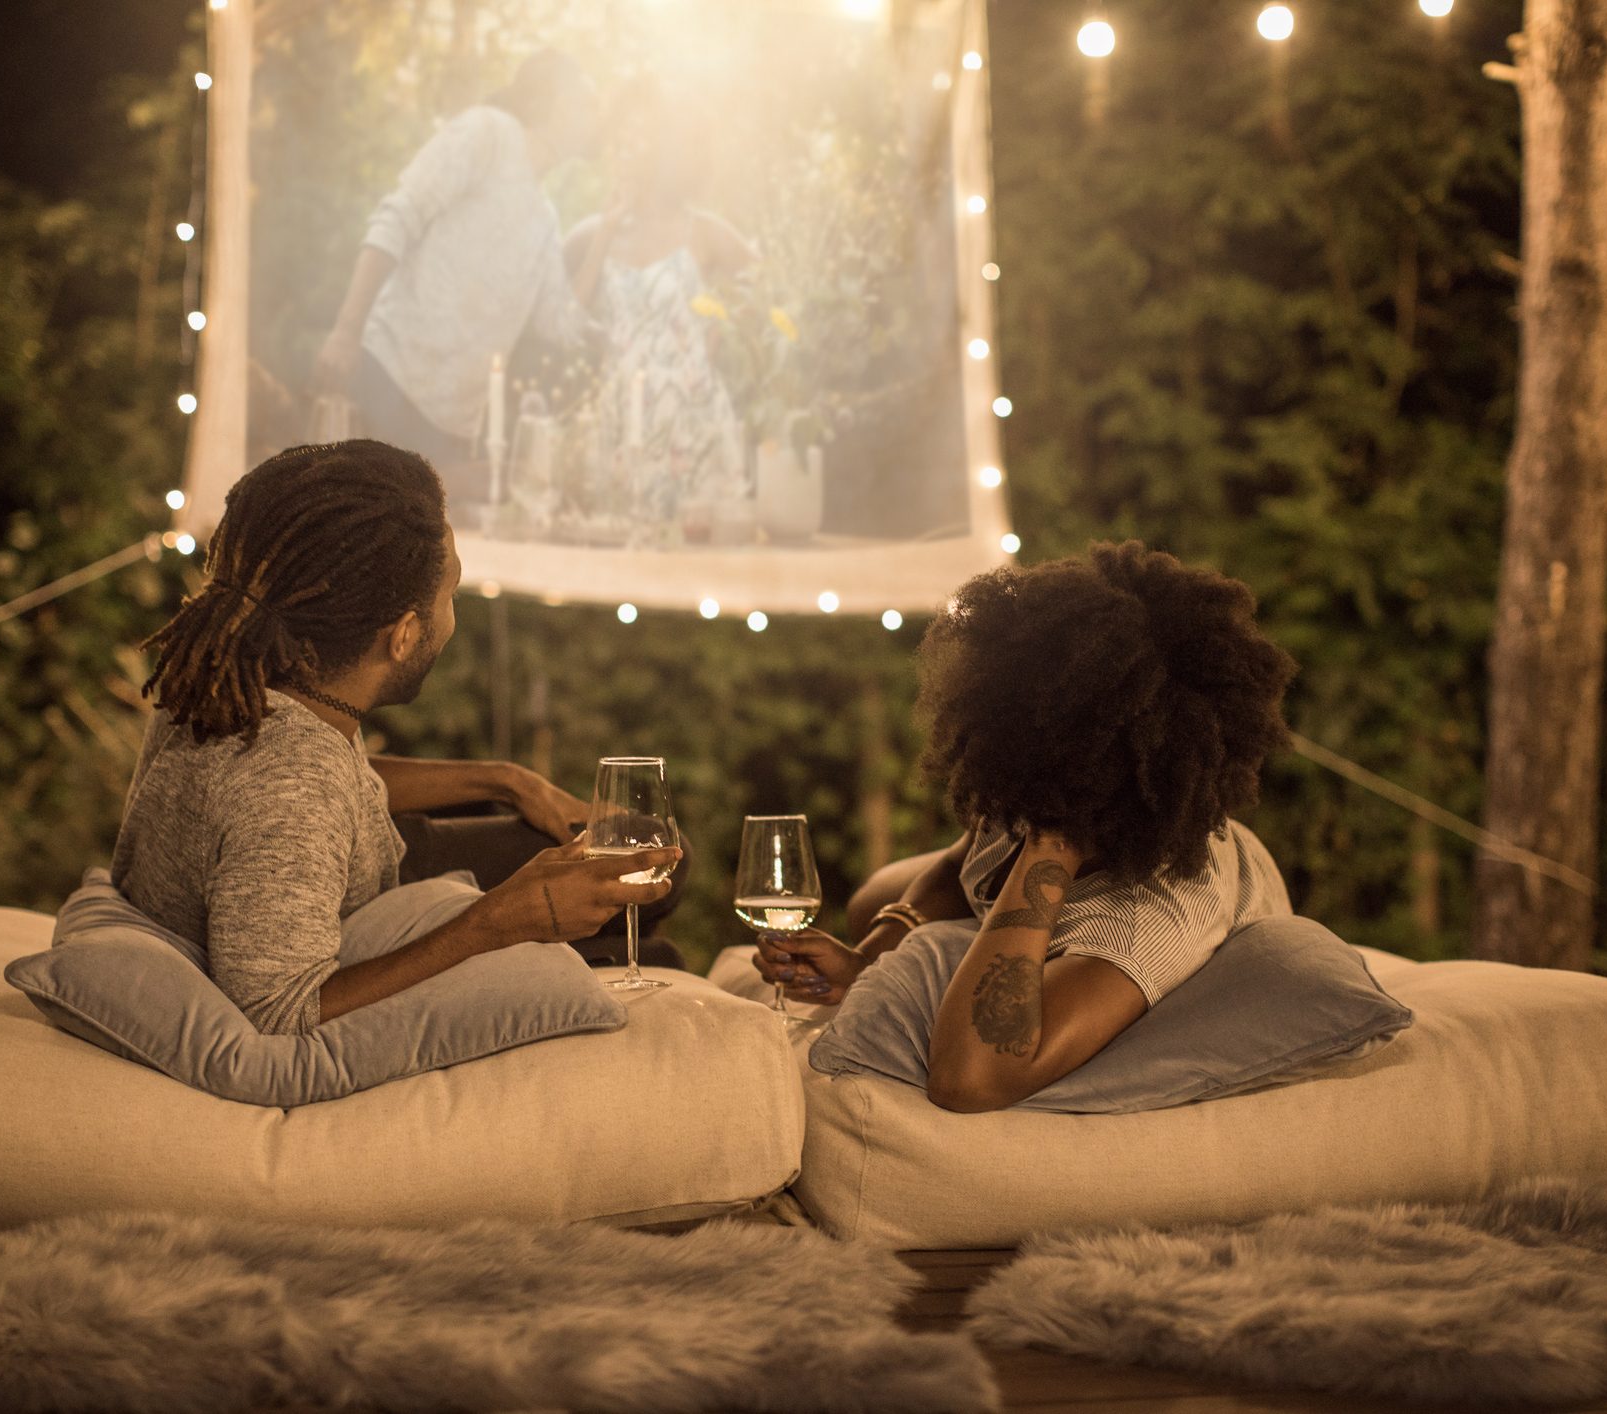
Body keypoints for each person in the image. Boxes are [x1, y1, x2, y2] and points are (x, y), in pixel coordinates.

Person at [112, 439, 682, 1034]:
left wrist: (506, 781)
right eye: (451, 594)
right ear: (404, 635)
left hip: (342, 874)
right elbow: (280, 1012)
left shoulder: (232, 674)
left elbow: (295, 791)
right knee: (657, 927)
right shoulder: (293, 786)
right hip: (336, 916)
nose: (453, 614)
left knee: (652, 851)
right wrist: (499, 921)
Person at [753, 543, 1299, 1111]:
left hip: (1170, 899)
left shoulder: (1149, 914)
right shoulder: (1035, 768)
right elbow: (962, 858)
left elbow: (969, 1080)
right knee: (873, 901)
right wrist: (867, 958)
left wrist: (1053, 843)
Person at [313, 52, 599, 493]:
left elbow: (558, 324)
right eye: (587, 103)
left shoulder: (545, 218)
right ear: (559, 100)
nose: (595, 117)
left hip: (450, 435)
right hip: (386, 381)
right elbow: (398, 217)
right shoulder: (488, 133)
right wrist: (346, 331)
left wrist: (605, 236)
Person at [564, 77, 755, 523]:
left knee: (696, 561)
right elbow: (569, 323)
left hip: (694, 417)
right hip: (621, 419)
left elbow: (769, 299)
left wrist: (723, 330)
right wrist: (607, 230)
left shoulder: (703, 230)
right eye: (623, 135)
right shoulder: (594, 233)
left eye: (642, 135)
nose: (628, 147)